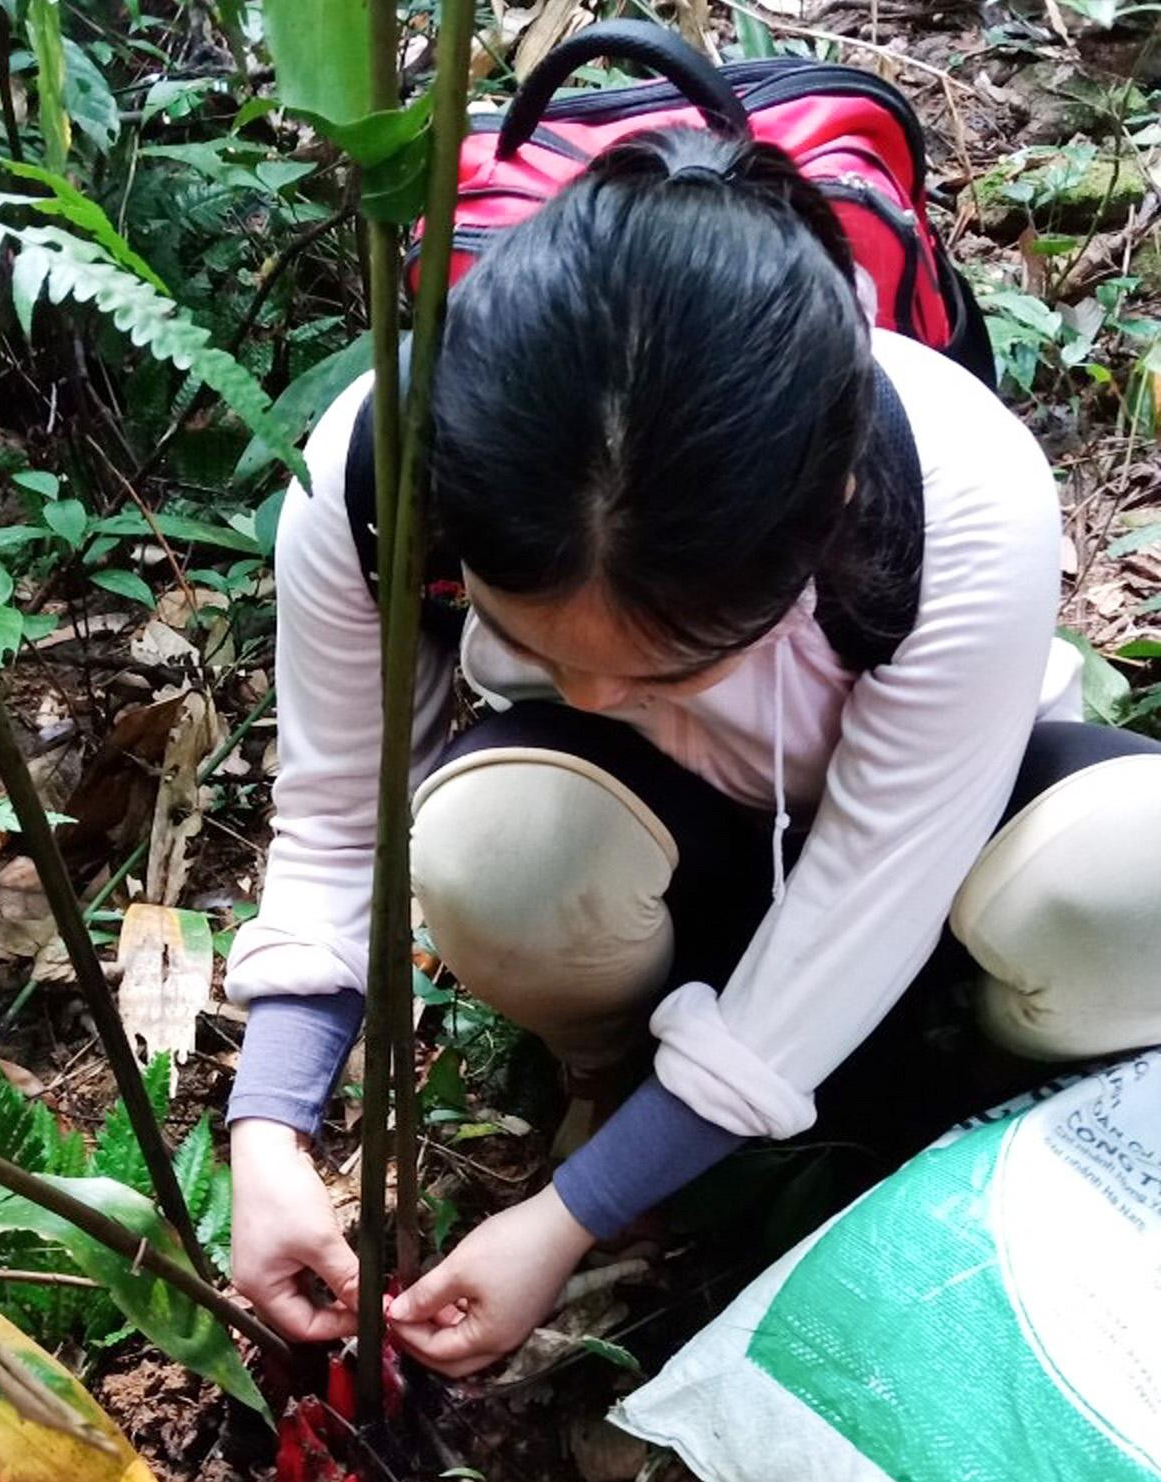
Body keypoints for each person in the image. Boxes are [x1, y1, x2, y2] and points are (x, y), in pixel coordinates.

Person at [225, 124, 1161, 1376]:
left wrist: (571, 1215)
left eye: (668, 664)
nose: (595, 689)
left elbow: (865, 904)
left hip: (927, 875)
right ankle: (614, 1077)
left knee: (1128, 878)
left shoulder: (959, 493)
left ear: (822, 520)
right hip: (657, 852)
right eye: (532, 645)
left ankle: (959, 1116)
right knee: (494, 851)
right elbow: (345, 814)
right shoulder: (377, 468)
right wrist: (266, 1127)